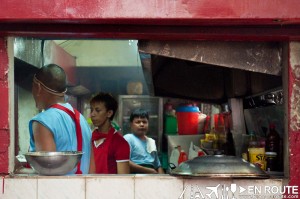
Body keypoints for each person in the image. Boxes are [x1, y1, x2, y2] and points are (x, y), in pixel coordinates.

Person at [28, 64, 91, 174]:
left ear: (38, 87)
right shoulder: (82, 120)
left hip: (58, 190)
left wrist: (18, 169)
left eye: (32, 86)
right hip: (83, 189)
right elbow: (92, 168)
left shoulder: (42, 122)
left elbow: (48, 171)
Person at [89, 93, 130, 174]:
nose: (92, 114)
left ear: (109, 113)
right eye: (91, 110)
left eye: (97, 110)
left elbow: (124, 179)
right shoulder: (89, 138)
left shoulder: (120, 143)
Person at [124, 108, 164, 174]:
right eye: (138, 122)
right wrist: (149, 171)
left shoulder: (151, 141)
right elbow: (125, 162)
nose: (142, 124)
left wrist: (163, 179)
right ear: (131, 124)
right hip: (135, 177)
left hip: (152, 176)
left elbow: (158, 165)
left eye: (144, 122)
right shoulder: (128, 138)